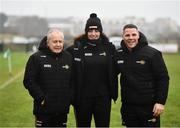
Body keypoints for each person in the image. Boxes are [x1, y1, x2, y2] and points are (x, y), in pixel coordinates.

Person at [66, 13, 118, 127]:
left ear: (100, 31)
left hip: (103, 98)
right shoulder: (75, 49)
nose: (93, 34)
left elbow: (119, 66)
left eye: (96, 31)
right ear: (86, 31)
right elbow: (59, 56)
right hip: (82, 98)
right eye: (90, 31)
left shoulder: (109, 48)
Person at [115, 24, 169, 127]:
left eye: (134, 35)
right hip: (128, 106)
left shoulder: (152, 53)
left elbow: (163, 78)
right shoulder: (119, 54)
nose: (131, 38)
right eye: (127, 35)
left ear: (138, 35)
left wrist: (160, 102)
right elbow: (109, 73)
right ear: (123, 37)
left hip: (149, 107)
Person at [23, 29, 73, 127]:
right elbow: (28, 81)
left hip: (62, 111)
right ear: (48, 42)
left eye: (60, 41)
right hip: (43, 110)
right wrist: (41, 98)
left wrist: (69, 99)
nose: (58, 44)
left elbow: (73, 81)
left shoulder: (68, 57)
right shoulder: (36, 58)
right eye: (55, 41)